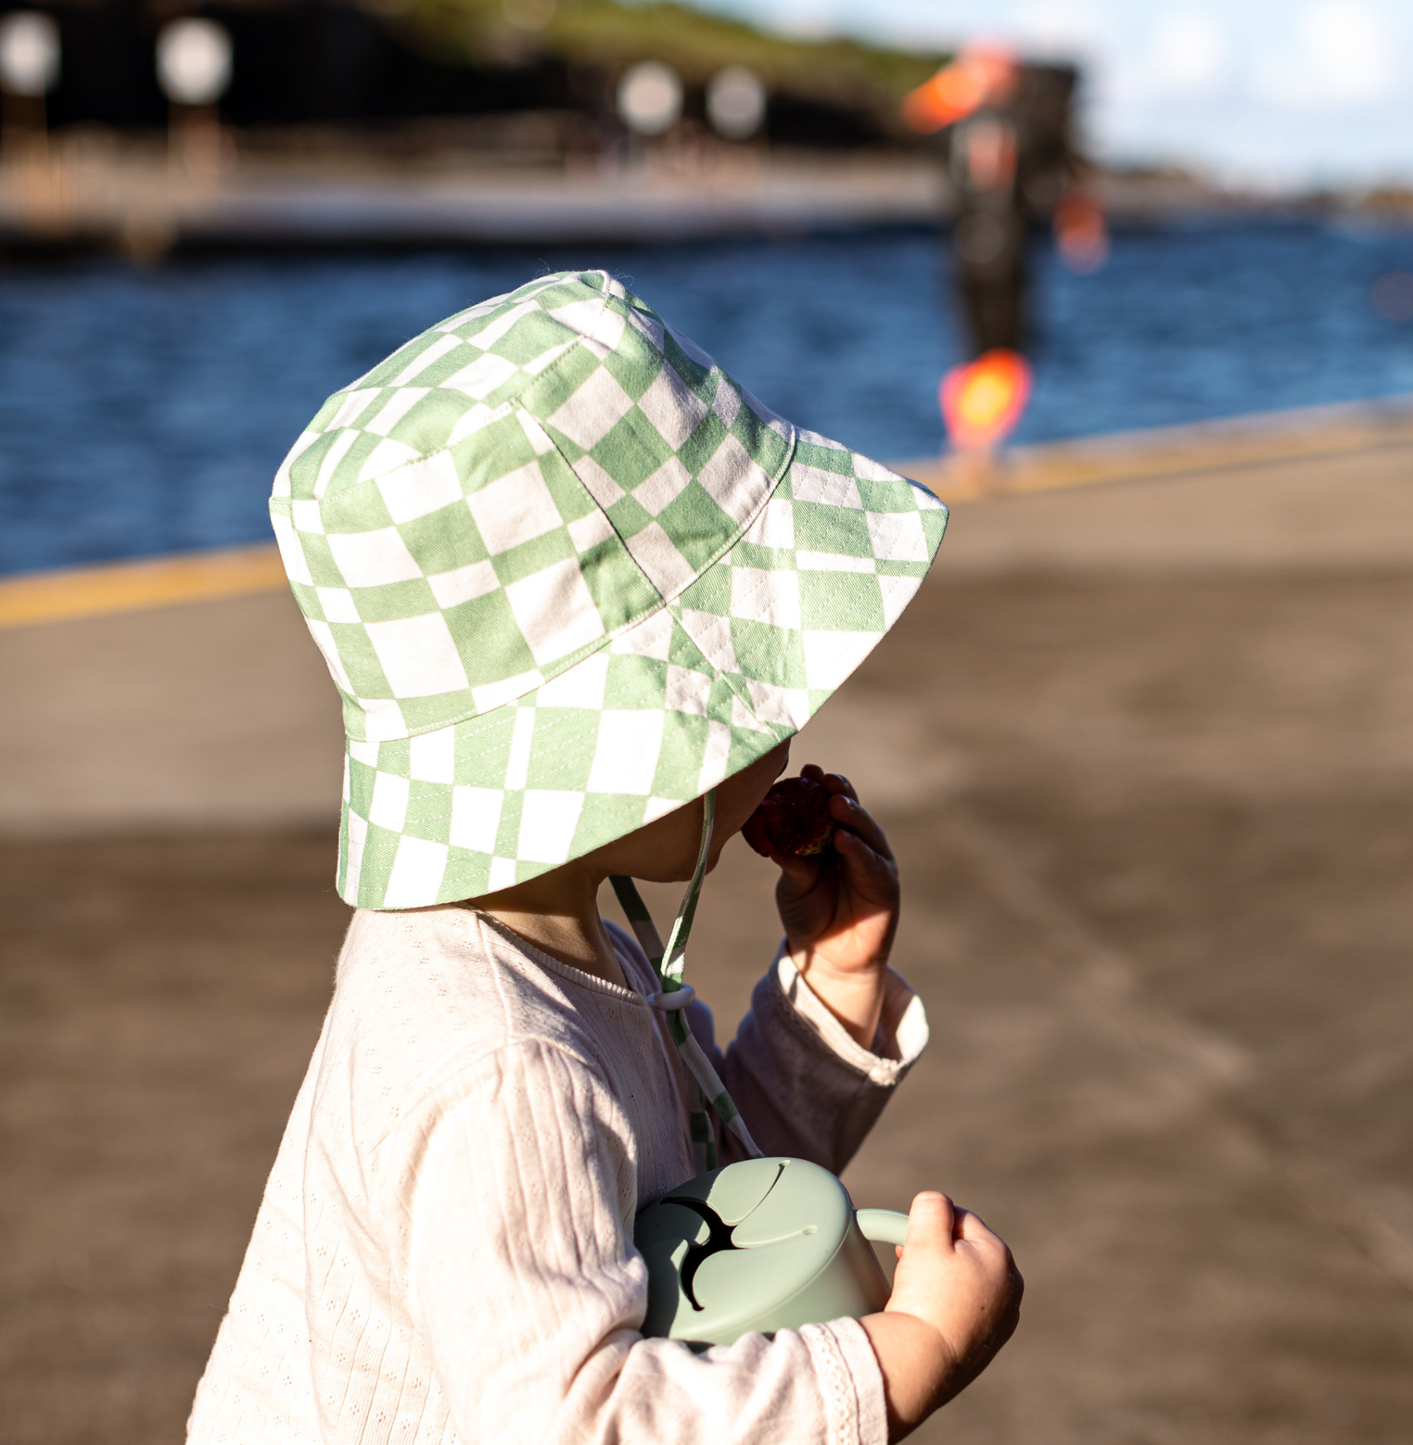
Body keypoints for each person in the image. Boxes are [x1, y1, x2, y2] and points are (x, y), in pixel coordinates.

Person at [187, 269, 1022, 1445]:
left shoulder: (537, 920)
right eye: (744, 688)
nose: (783, 728)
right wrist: (897, 1356)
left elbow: (695, 1226)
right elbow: (577, 1422)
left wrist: (825, 990)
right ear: (633, 742)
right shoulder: (504, 1064)